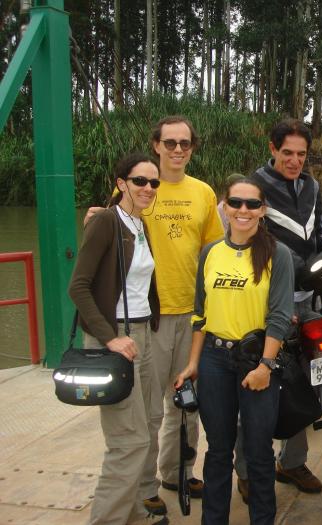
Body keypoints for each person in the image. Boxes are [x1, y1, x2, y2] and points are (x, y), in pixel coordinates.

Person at [85, 116, 224, 516]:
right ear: (156, 144)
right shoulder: (136, 187)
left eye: (185, 143)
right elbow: (108, 222)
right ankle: (144, 485)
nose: (178, 149)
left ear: (192, 148)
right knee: (147, 409)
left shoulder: (202, 193)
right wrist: (92, 220)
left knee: (186, 401)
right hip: (149, 318)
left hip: (192, 314)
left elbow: (213, 251)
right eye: (170, 142)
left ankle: (177, 471)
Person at [233, 118, 322, 500]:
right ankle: (249, 469)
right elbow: (245, 234)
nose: (294, 161)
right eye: (287, 153)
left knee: (308, 376)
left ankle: (294, 460)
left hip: (309, 293)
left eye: (301, 154)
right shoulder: (255, 188)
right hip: (265, 295)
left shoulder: (312, 186)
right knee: (259, 379)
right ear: (273, 149)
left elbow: (313, 233)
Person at [175, 178, 294, 525]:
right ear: (224, 207)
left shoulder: (277, 254)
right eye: (236, 203)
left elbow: (280, 317)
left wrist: (265, 367)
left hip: (256, 361)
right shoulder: (210, 252)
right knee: (218, 450)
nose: (243, 211)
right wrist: (193, 364)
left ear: (263, 210)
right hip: (213, 360)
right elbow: (201, 314)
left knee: (258, 452)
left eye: (252, 204)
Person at [69, 153, 167, 525]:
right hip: (117, 340)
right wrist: (110, 338)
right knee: (128, 442)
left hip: (141, 333)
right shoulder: (107, 222)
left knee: (146, 427)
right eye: (140, 181)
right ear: (121, 183)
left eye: (153, 182)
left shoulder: (139, 224)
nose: (148, 188)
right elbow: (78, 287)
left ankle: (134, 514)